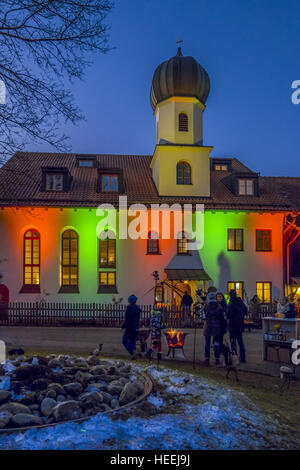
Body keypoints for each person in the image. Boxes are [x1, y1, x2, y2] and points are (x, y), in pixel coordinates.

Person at [203, 291, 225, 366]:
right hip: (217, 327)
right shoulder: (219, 306)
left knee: (207, 343)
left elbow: (204, 316)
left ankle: (207, 359)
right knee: (216, 343)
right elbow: (222, 318)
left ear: (209, 298)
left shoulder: (206, 306)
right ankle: (217, 359)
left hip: (208, 327)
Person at [226, 289, 247, 363]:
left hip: (233, 325)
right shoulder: (240, 301)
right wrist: (241, 316)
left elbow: (228, 314)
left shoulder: (231, 303)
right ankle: (243, 358)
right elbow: (245, 310)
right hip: (240, 324)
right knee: (240, 341)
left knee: (233, 342)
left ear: (230, 295)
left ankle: (235, 358)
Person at [122, 294, 141, 359]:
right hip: (136, 327)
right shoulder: (138, 308)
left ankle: (132, 352)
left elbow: (127, 318)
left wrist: (123, 325)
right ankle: (133, 355)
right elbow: (137, 318)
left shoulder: (129, 308)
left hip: (129, 327)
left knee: (124, 340)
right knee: (132, 341)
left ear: (129, 300)